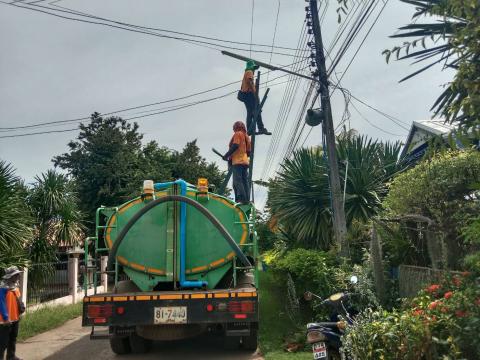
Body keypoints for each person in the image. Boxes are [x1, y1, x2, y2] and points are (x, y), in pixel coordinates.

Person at [240, 60, 271, 136]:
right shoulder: (249, 72)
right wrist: (255, 94)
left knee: (250, 112)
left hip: (246, 95)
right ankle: (261, 128)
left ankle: (250, 130)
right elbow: (250, 82)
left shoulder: (246, 73)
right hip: (250, 94)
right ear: (251, 67)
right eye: (254, 67)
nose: (254, 70)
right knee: (257, 111)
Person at [223, 121, 251, 204]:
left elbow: (235, 145)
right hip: (245, 161)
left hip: (238, 161)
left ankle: (241, 199)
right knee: (244, 181)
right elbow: (249, 152)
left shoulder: (238, 134)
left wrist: (226, 155)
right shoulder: (247, 137)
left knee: (237, 181)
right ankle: (246, 199)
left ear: (236, 127)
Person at [0, 266, 24, 360]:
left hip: (15, 318)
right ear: (11, 276)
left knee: (13, 339)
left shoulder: (15, 286)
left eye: (18, 274)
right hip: (5, 320)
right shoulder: (2, 288)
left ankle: (11, 356)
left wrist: (20, 311)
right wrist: (6, 318)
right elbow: (1, 303)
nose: (18, 276)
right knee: (3, 342)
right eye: (16, 274)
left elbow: (17, 300)